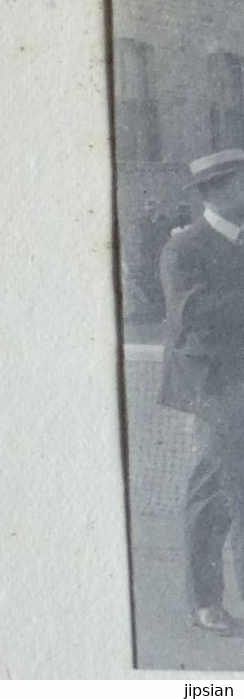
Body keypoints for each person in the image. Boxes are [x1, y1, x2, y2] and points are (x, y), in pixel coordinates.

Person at [160, 149, 244, 637]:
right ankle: (205, 602)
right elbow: (192, 319)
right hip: (217, 391)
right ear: (216, 191)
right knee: (214, 496)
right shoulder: (184, 247)